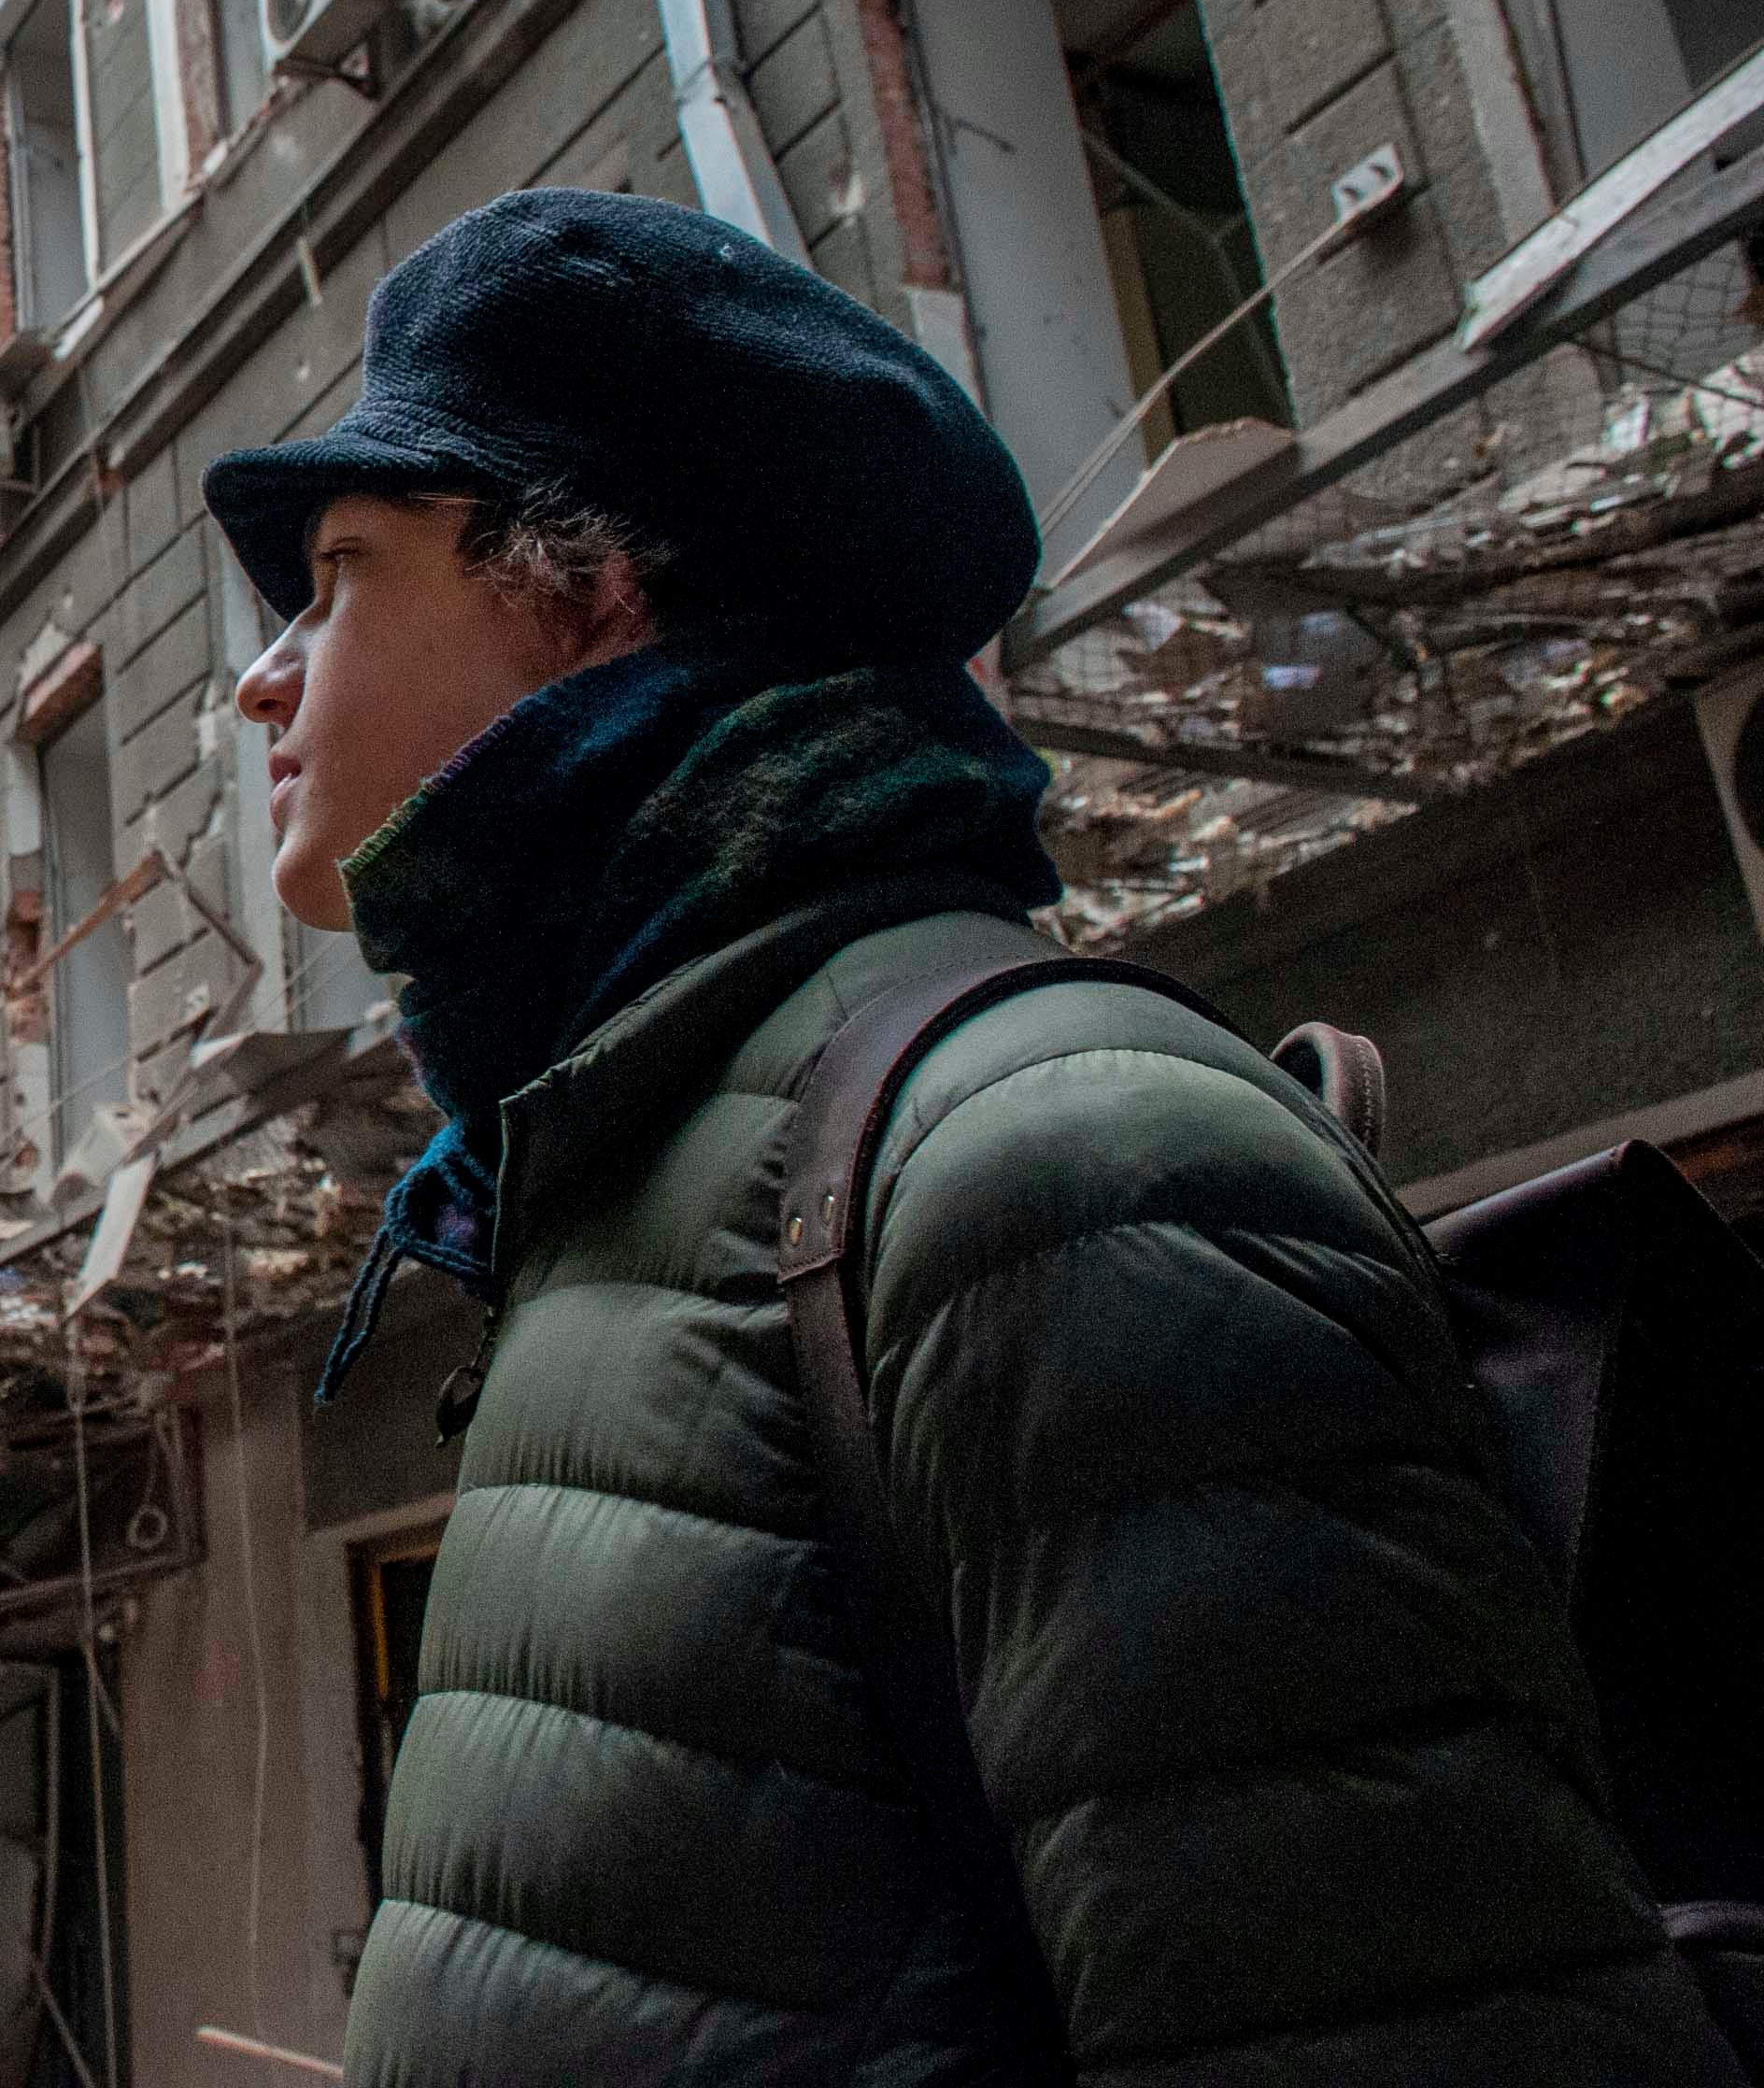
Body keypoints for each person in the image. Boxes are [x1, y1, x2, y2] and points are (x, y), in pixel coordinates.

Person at [209, 190, 1733, 2083]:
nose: (258, 678)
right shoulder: (624, 1172)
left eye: (340, 571)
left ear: (588, 587)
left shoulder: (1041, 1163)